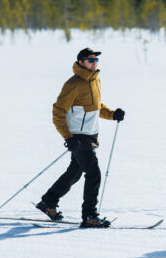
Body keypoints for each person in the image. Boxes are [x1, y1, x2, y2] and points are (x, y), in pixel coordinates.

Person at [37, 47, 125, 228]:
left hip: (89, 134)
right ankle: (89, 216)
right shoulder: (73, 84)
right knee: (94, 173)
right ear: (81, 62)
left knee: (75, 172)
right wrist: (68, 137)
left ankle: (48, 202)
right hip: (78, 136)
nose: (94, 63)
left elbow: (95, 106)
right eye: (90, 60)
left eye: (96, 60)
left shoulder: (95, 80)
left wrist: (112, 114)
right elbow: (58, 111)